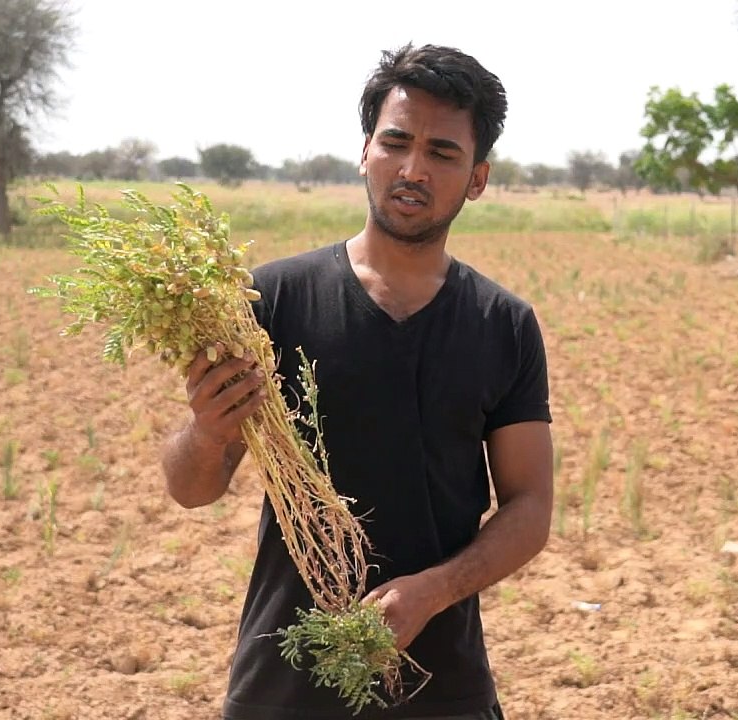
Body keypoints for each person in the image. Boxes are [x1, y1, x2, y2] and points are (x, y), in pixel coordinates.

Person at [160, 43, 554, 720]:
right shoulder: (270, 300)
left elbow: (529, 509)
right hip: (282, 688)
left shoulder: (503, 325)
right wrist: (205, 431)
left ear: (478, 178)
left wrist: (429, 593)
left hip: (443, 691)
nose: (412, 168)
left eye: (442, 152)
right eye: (396, 142)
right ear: (364, 151)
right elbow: (191, 488)